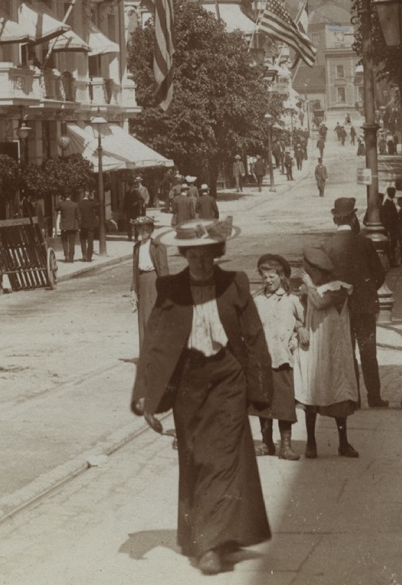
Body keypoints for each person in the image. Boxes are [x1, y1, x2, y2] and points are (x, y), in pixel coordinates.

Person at [130, 219, 272, 577]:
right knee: (195, 456)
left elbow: (253, 336)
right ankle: (213, 536)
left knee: (220, 457)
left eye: (208, 256)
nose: (201, 263)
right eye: (194, 256)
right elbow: (156, 342)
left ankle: (209, 546)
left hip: (227, 376)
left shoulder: (234, 283)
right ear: (185, 255)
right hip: (189, 383)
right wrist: (144, 393)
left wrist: (262, 388)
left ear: (217, 254)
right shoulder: (170, 288)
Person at [294, 237, 361, 458]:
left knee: (337, 393)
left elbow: (321, 303)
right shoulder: (310, 289)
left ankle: (343, 442)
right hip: (313, 347)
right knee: (311, 393)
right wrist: (299, 326)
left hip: (334, 350)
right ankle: (311, 442)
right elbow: (297, 310)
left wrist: (310, 287)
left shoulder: (338, 288)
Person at [330, 197, 387, 408]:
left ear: (335, 220)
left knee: (347, 353)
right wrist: (366, 290)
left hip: (341, 308)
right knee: (368, 351)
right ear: (353, 218)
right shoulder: (365, 243)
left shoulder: (327, 246)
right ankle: (375, 397)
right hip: (364, 306)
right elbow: (379, 274)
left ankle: (353, 398)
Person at [254, 253, 303, 461]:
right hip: (262, 360)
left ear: (281, 277)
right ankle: (266, 443)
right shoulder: (256, 300)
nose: (268, 281)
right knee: (263, 402)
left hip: (283, 358)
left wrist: (296, 336)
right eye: (264, 277)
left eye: (272, 277)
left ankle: (285, 445)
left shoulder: (292, 300)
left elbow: (303, 322)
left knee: (283, 402)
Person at [132, 214, 160, 351]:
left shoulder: (157, 246)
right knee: (142, 318)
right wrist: (133, 290)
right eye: (141, 229)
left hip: (154, 281)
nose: (144, 231)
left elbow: (163, 269)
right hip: (142, 282)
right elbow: (134, 270)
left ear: (151, 230)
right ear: (137, 230)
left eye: (147, 229)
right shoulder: (137, 247)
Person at [381, 187, 402, 268]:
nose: (394, 194)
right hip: (392, 228)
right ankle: (392, 262)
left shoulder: (388, 203)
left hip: (392, 228)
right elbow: (390, 218)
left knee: (392, 246)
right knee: (392, 246)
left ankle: (392, 262)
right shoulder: (388, 203)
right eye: (393, 192)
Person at [58, 193, 80, 262]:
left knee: (64, 241)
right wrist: (79, 226)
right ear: (70, 196)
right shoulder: (75, 204)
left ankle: (66, 255)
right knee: (72, 242)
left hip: (64, 226)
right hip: (73, 226)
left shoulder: (62, 204)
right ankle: (71, 257)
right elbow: (78, 216)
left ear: (64, 197)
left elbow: (56, 208)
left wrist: (60, 201)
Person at [78, 192, 99, 260]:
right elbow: (99, 204)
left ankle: (84, 255)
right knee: (90, 241)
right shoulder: (91, 203)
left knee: (83, 240)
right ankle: (89, 257)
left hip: (83, 225)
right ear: (89, 196)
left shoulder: (79, 204)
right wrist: (93, 199)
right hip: (91, 225)